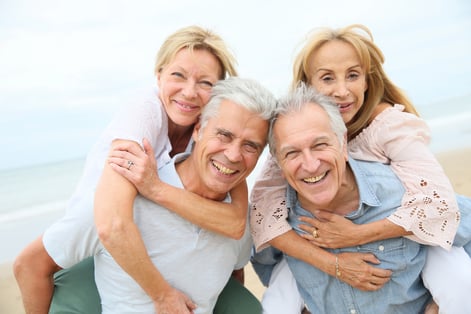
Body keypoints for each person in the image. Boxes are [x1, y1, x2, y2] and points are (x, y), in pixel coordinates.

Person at [13, 25, 257, 313]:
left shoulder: (211, 136)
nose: (190, 92)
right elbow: (112, 226)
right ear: (159, 75)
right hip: (92, 249)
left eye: (205, 83)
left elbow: (234, 222)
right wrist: (163, 295)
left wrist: (156, 188)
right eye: (178, 75)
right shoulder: (142, 114)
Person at [250, 24, 471, 313]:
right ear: (307, 85)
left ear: (367, 81)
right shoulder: (298, 133)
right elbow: (263, 216)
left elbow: (439, 207)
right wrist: (333, 265)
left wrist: (356, 235)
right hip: (331, 240)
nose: (342, 91)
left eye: (352, 75)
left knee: (458, 281)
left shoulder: (388, 126)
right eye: (327, 78)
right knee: (280, 296)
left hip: (415, 227)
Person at [95, 77, 276, 313]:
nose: (233, 155)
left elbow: (234, 271)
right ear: (198, 129)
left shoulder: (243, 222)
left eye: (250, 146)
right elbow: (35, 263)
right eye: (224, 135)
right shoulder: (122, 197)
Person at [256, 83, 432, 313]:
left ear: (342, 143)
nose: (310, 165)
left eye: (320, 145)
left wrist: (441, 302)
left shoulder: (400, 192)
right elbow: (266, 265)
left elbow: (461, 225)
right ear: (278, 162)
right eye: (292, 153)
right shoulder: (278, 220)